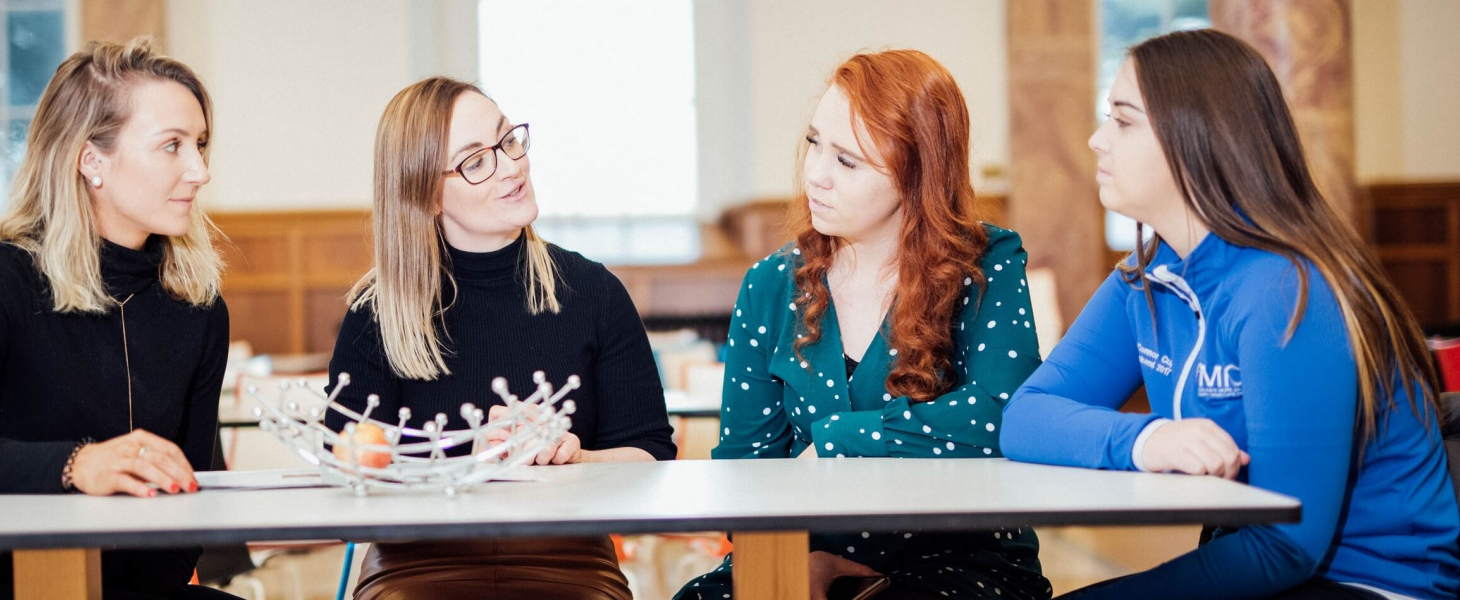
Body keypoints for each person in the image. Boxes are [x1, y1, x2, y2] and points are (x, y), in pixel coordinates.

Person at [1000, 29, 1460, 599]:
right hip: (1274, 573)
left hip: (1373, 583)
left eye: (1122, 120)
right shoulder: (1146, 278)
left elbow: (1285, 545)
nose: (1096, 141)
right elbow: (1025, 417)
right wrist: (1148, 439)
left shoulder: (1288, 291)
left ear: (1197, 138)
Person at [676, 50, 1051, 600]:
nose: (815, 175)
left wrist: (837, 440)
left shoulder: (985, 261)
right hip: (799, 556)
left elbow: (1003, 417)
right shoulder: (770, 283)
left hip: (959, 562)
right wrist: (798, 564)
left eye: (847, 162)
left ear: (918, 172)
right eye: (813, 143)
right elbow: (743, 475)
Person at [0, 38, 236, 600]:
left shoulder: (200, 309)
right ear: (91, 159)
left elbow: (186, 505)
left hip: (132, 587)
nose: (200, 170)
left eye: (201, 144)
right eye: (172, 145)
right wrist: (75, 466)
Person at [325, 76, 676, 600]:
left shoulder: (593, 292)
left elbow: (651, 457)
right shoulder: (376, 314)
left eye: (508, 139)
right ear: (424, 195)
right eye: (475, 161)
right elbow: (347, 475)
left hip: (570, 561)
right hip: (415, 565)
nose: (511, 166)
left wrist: (572, 457)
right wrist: (468, 459)